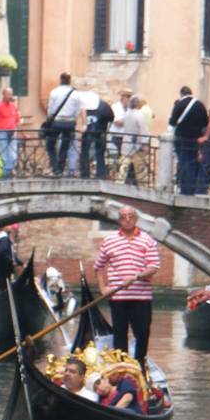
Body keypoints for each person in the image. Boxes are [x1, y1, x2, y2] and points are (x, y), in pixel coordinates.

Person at [94, 205, 161, 372]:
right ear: (119, 220)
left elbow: (153, 266)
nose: (127, 219)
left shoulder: (147, 240)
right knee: (120, 334)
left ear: (136, 219)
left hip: (142, 297)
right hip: (118, 298)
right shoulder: (109, 241)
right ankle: (121, 369)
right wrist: (103, 288)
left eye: (130, 216)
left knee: (142, 333)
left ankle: (139, 367)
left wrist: (136, 276)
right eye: (123, 216)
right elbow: (99, 266)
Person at [169, 86, 210, 195]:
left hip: (182, 139)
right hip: (196, 139)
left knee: (183, 163)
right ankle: (192, 188)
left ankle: (184, 190)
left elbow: (172, 122)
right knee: (193, 163)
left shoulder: (179, 104)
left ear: (181, 94)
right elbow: (205, 123)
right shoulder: (200, 105)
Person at [44, 73, 85, 176]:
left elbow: (50, 110)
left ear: (60, 80)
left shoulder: (54, 92)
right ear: (69, 81)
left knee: (50, 145)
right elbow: (78, 110)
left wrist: (50, 118)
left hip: (57, 122)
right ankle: (60, 169)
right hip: (70, 123)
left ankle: (56, 168)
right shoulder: (76, 94)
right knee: (64, 147)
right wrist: (72, 118)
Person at [0, 87, 21, 179]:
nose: (10, 96)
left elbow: (17, 121)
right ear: (3, 95)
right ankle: (6, 178)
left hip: (12, 132)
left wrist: (23, 133)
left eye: (11, 94)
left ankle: (7, 175)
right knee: (4, 156)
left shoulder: (13, 106)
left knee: (13, 155)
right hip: (0, 132)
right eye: (8, 94)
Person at [80, 92, 114, 179]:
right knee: (100, 153)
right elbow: (111, 117)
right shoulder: (103, 105)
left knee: (85, 152)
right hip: (100, 131)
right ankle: (100, 174)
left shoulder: (85, 105)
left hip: (88, 131)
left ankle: (84, 173)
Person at [118, 96, 150, 185]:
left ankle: (119, 182)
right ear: (137, 104)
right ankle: (143, 185)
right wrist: (145, 143)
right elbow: (143, 130)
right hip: (137, 144)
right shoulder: (139, 115)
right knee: (140, 167)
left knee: (124, 164)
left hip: (126, 141)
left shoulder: (127, 114)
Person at [110, 87, 133, 160]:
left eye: (130, 97)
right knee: (121, 156)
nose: (130, 99)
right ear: (123, 97)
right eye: (128, 97)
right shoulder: (115, 107)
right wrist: (131, 120)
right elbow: (118, 122)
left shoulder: (130, 108)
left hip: (127, 136)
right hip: (117, 136)